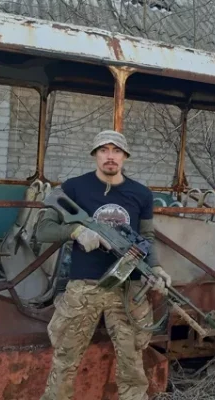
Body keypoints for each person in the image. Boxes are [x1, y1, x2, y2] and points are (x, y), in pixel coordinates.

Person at [36, 129, 172, 400]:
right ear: (95, 155)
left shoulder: (141, 194)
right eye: (104, 150)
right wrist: (75, 232)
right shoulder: (73, 187)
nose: (110, 157)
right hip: (84, 287)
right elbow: (43, 229)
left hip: (128, 289)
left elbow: (146, 237)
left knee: (133, 364)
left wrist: (155, 269)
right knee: (65, 359)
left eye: (116, 151)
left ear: (125, 156)